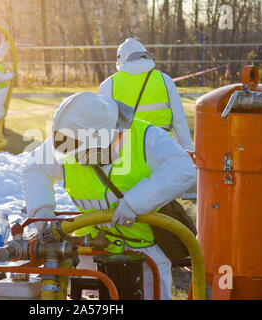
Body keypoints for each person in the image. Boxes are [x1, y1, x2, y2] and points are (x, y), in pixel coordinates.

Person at [22, 92, 196, 300]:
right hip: (91, 251)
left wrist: (135, 204)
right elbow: (35, 168)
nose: (78, 158)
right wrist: (43, 214)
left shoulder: (145, 137)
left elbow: (182, 168)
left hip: (145, 252)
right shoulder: (72, 138)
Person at [98, 38, 196, 199]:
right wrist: (188, 149)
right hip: (162, 149)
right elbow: (179, 120)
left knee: (131, 201)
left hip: (127, 153)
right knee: (162, 202)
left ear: (121, 60)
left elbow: (101, 126)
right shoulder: (164, 80)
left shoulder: (109, 84)